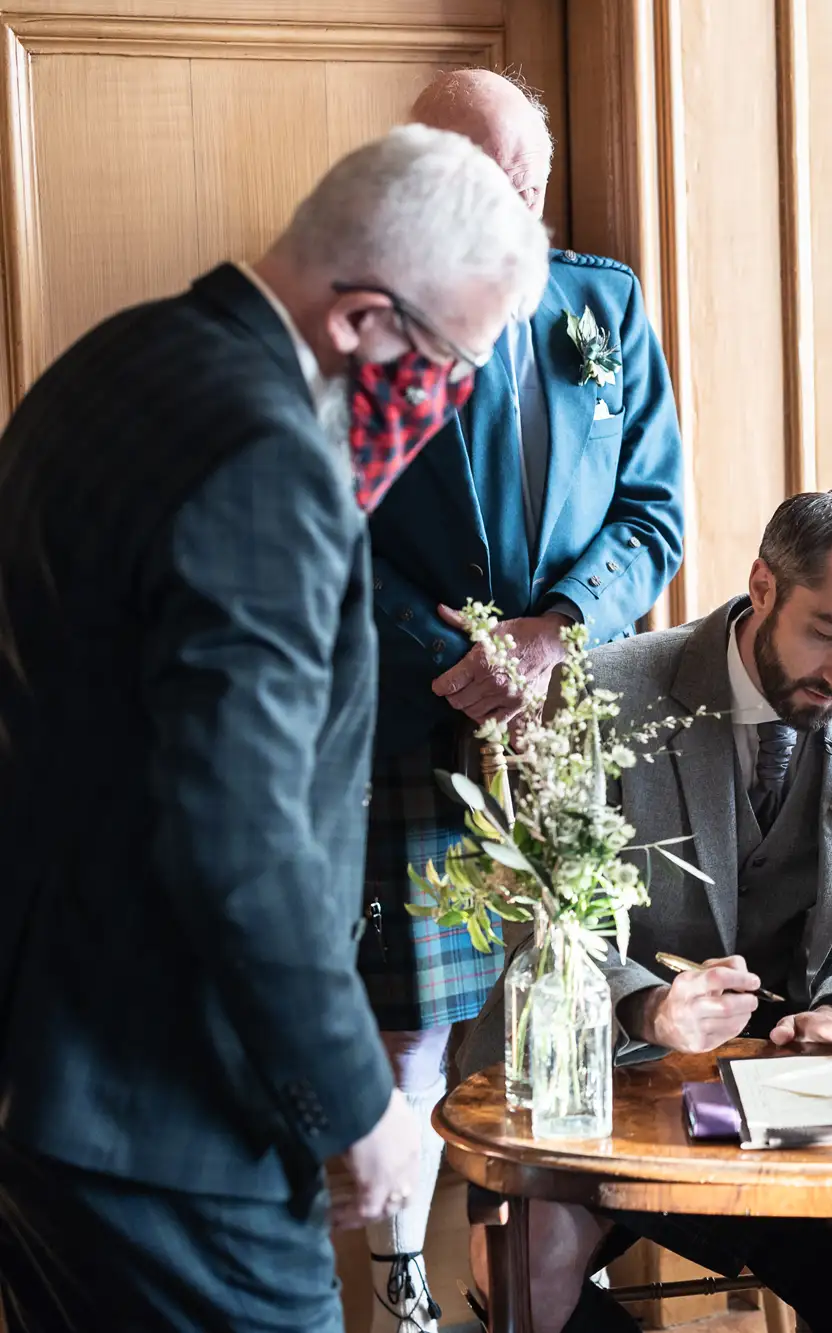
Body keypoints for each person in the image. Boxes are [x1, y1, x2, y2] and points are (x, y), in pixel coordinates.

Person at [0, 126, 547, 1332]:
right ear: (360, 320)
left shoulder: (114, 361)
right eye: (453, 363)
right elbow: (238, 837)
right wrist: (355, 1106)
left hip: (46, 1078)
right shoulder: (268, 457)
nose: (452, 400)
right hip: (174, 1109)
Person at [458, 487, 832, 1332]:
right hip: (615, 1077)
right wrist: (649, 1004)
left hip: (804, 1087)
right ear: (763, 585)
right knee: (523, 1276)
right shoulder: (603, 688)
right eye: (827, 633)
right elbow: (544, 919)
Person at [359, 70, 686, 1330]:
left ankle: (557, 1300)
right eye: (487, 181)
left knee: (586, 1010)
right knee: (414, 1036)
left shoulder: (601, 305)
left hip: (571, 725)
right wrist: (457, 658)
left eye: (529, 182)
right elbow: (323, 532)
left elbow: (652, 511)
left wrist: (553, 638)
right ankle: (400, 1296)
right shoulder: (356, 322)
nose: (517, 204)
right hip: (410, 718)